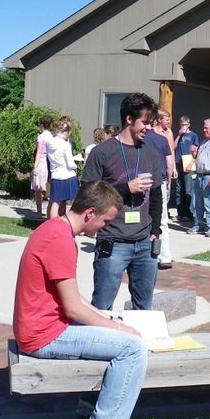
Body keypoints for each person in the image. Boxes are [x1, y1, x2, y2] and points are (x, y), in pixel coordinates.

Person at [13, 180, 147, 419]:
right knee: (133, 349)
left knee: (118, 330)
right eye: (105, 221)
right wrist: (120, 331)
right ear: (90, 213)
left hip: (43, 327)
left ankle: (92, 408)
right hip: (43, 336)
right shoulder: (60, 241)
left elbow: (76, 299)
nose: (104, 227)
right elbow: (72, 308)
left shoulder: (54, 229)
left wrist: (105, 317)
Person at [81, 93, 163, 311]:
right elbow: (88, 194)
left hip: (145, 244)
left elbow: (156, 194)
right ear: (129, 119)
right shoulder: (102, 152)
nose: (149, 128)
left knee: (144, 308)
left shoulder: (151, 153)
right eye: (145, 122)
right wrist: (126, 188)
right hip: (113, 242)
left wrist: (155, 230)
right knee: (102, 306)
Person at [144, 109, 176, 269]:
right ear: (157, 120)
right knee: (162, 219)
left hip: (142, 181)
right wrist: (169, 182)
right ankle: (164, 256)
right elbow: (169, 164)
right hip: (160, 182)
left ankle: (145, 254)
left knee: (142, 216)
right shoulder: (162, 140)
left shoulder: (141, 139)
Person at [46, 120, 79, 219]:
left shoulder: (50, 142)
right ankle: (74, 223)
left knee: (55, 202)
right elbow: (70, 164)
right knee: (75, 202)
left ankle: (52, 226)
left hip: (56, 175)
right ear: (66, 132)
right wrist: (76, 163)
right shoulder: (65, 144)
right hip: (68, 175)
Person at [172, 116, 199, 221]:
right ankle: (180, 213)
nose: (184, 126)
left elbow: (196, 152)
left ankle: (189, 214)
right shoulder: (179, 135)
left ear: (189, 125)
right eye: (182, 124)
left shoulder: (193, 135)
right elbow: (173, 147)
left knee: (188, 190)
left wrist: (192, 163)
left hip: (189, 164)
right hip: (179, 164)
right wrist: (178, 135)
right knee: (179, 190)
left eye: (185, 124)